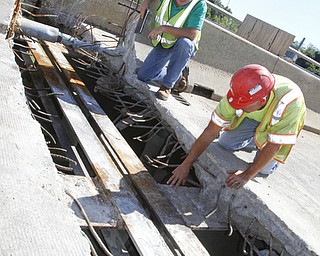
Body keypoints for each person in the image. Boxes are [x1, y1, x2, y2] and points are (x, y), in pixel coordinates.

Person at [167, 64, 306, 189]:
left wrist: (246, 175)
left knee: (264, 169)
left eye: (242, 104)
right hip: (254, 119)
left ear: (261, 101)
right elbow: (211, 131)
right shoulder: (238, 93)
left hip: (279, 126)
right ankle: (256, 142)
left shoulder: (290, 104)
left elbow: (274, 146)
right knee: (225, 143)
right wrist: (186, 164)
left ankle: (263, 146)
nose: (236, 106)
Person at [137, 0, 207, 100]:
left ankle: (166, 86)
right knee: (143, 75)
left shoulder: (199, 4)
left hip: (183, 47)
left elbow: (192, 34)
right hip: (166, 43)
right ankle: (178, 77)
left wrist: (164, 28)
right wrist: (145, 3)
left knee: (185, 43)